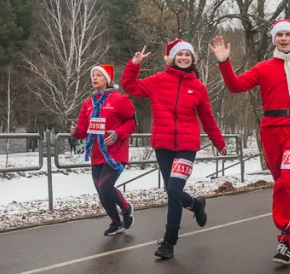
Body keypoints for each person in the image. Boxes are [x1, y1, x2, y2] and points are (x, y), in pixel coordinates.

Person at [210, 19, 290, 265]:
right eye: (280, 35)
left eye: (288, 35)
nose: (284, 39)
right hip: (270, 131)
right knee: (284, 185)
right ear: (274, 39)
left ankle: (285, 239)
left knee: (288, 182)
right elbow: (236, 86)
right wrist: (224, 62)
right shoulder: (265, 67)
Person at [122, 39, 227, 260]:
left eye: (188, 55)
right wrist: (134, 64)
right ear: (172, 58)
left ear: (192, 59)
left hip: (187, 147)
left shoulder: (198, 87)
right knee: (174, 191)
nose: (184, 58)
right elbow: (130, 86)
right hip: (163, 145)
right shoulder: (158, 80)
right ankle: (196, 204)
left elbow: (207, 118)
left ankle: (169, 242)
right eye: (180, 55)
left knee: (173, 191)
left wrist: (219, 142)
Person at [71, 64, 137, 236]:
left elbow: (132, 122)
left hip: (115, 153)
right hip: (96, 153)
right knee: (101, 190)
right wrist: (75, 132)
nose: (95, 78)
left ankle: (126, 207)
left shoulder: (119, 99)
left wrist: (117, 134)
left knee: (105, 187)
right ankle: (116, 223)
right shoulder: (88, 103)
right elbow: (83, 130)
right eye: (93, 75)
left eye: (99, 75)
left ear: (107, 79)